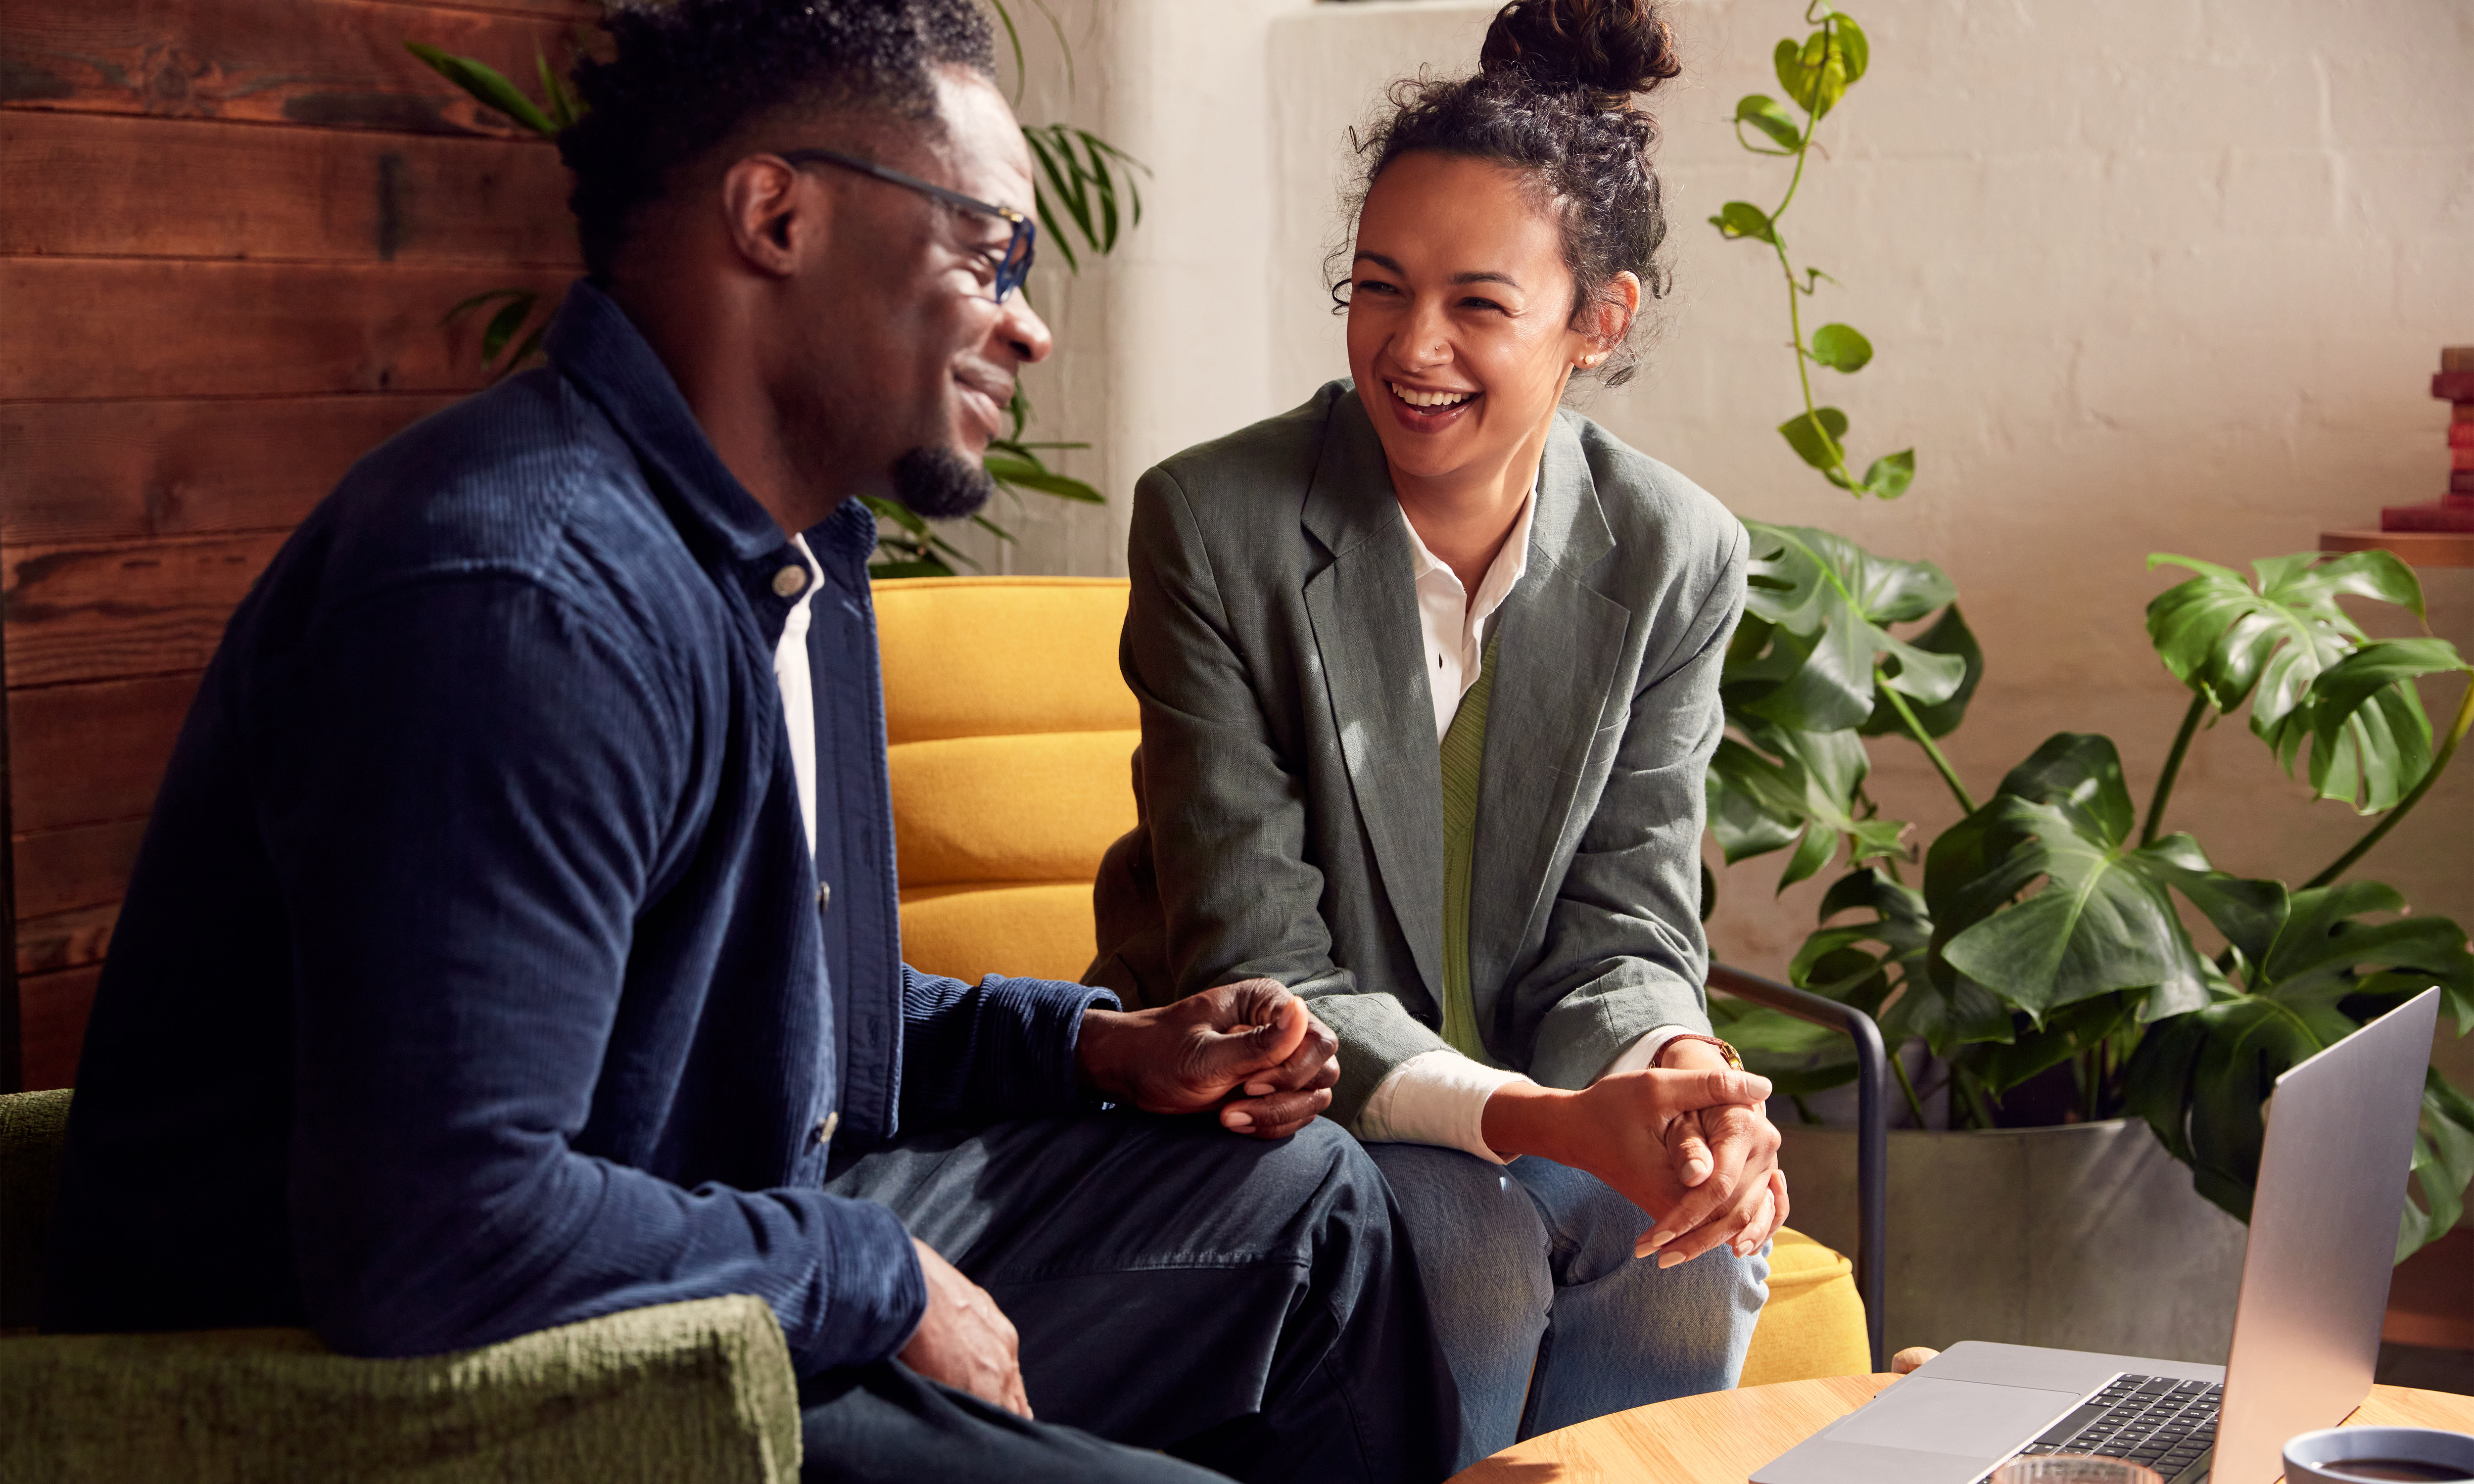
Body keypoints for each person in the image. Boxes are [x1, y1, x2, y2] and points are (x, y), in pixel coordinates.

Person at [36, 2, 1530, 1480]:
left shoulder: (788, 568)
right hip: (484, 1387)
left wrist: (1090, 1046)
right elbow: (440, 1230)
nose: (1030, 319)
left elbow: (749, 1006)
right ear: (777, 214)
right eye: (989, 250)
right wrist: (871, 1275)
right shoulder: (527, 600)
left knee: (1314, 1207)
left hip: (708, 1219)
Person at [1088, 0, 1787, 1467]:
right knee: (1462, 1238)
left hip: (1538, 1081)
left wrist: (1677, 1084)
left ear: (1599, 323)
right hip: (1269, 1107)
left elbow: (1626, 923)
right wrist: (1543, 1120)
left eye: (1479, 304)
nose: (1412, 349)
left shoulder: (1676, 554)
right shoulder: (1217, 524)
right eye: (1378, 288)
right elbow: (1254, 964)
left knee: (1694, 1226)